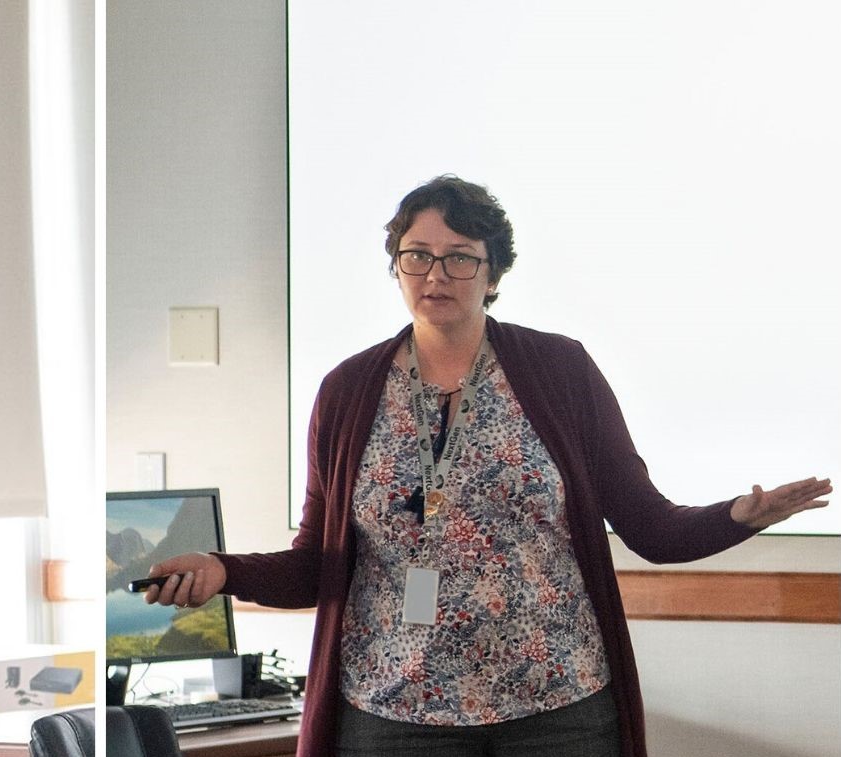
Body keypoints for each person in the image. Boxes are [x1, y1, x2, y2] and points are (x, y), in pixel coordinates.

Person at [144, 176, 831, 757]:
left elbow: (648, 525)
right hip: (393, 710)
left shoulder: (558, 369)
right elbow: (316, 562)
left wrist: (741, 515)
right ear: (396, 266)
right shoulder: (348, 390)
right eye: (416, 256)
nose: (435, 275)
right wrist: (222, 568)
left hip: (555, 704)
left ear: (493, 272)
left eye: (459, 257)